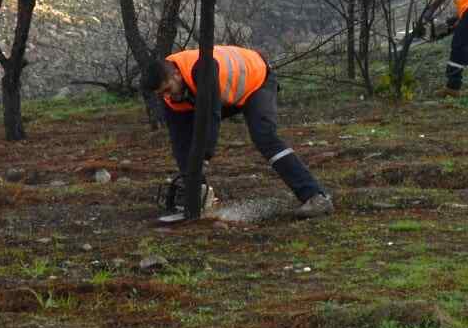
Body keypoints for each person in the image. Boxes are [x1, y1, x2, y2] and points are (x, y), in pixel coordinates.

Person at [143, 45, 334, 220]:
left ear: (176, 74)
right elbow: (180, 140)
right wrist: (191, 176)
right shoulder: (170, 94)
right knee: (186, 145)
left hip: (256, 80)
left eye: (168, 90)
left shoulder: (202, 69)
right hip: (224, 93)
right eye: (162, 94)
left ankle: (316, 197)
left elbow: (211, 116)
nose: (168, 96)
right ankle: (198, 200)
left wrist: (204, 155)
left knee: (264, 137)